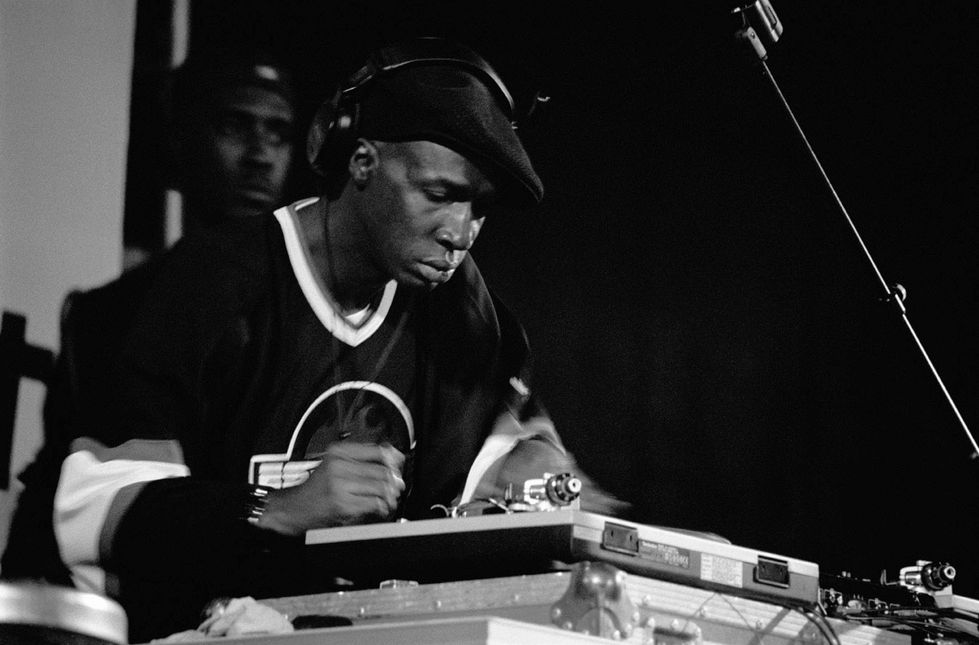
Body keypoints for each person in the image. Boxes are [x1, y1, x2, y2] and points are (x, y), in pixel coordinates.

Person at [48, 37, 624, 642]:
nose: (460, 232)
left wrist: (542, 484)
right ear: (362, 162)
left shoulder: (464, 313)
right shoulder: (208, 286)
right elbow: (92, 510)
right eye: (439, 195)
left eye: (479, 208)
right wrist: (277, 507)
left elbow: (504, 472)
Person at [0, 53, 298, 587]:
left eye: (277, 133)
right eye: (235, 127)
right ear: (180, 142)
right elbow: (64, 485)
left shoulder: (314, 307)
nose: (260, 155)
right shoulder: (106, 313)